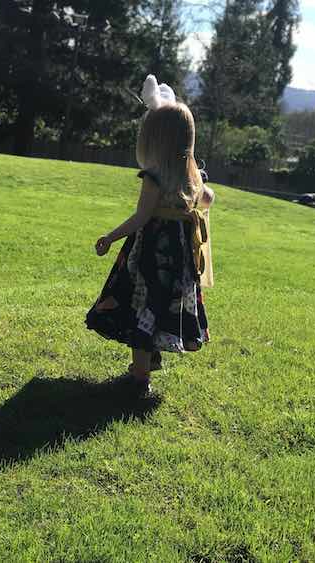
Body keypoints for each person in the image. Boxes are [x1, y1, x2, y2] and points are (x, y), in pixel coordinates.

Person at [86, 75, 214, 396]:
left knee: (140, 305)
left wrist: (111, 237)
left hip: (149, 253)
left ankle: (139, 378)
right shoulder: (192, 177)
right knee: (160, 306)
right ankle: (148, 362)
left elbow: (141, 217)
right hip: (179, 256)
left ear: (153, 139)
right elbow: (205, 198)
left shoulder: (153, 178)